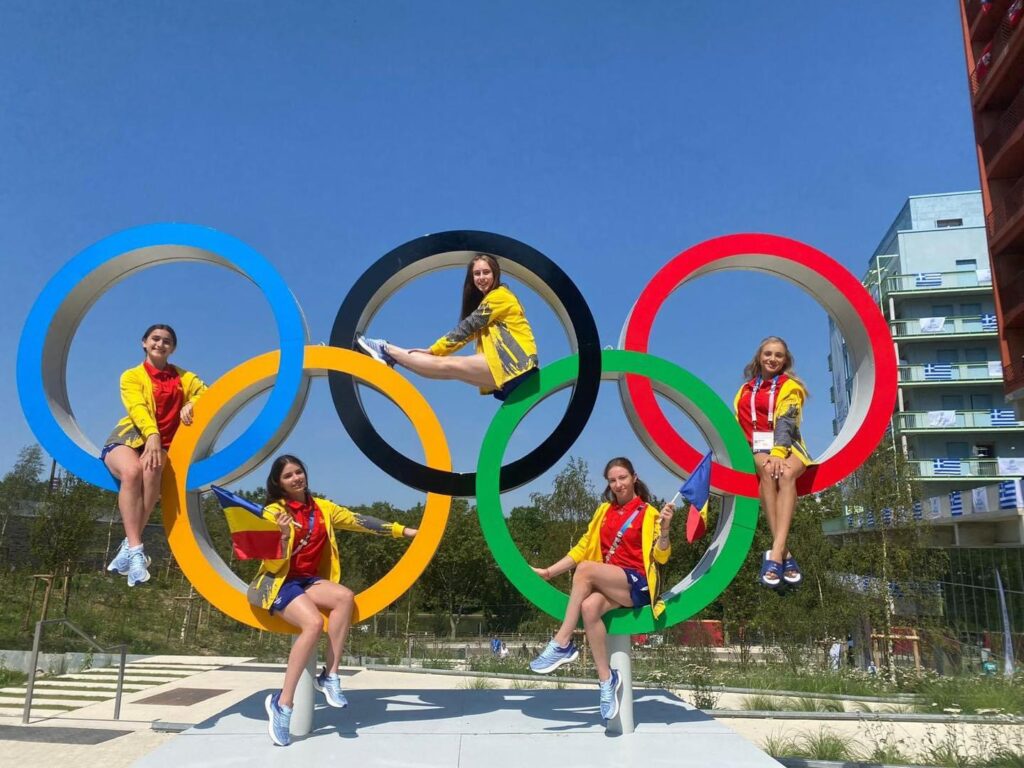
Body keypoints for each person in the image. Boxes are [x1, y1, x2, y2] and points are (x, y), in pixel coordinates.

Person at [258, 454, 417, 747]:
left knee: (344, 596)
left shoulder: (322, 508)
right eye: (288, 475)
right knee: (313, 624)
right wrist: (282, 534)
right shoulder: (273, 512)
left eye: (298, 472)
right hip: (279, 581)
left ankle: (329, 676)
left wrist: (404, 531)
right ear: (278, 483)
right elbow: (270, 562)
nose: (296, 478)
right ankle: (283, 703)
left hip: (308, 580)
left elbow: (360, 521)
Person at [527, 457, 674, 721]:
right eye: (612, 480)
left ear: (634, 478)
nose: (618, 484)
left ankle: (561, 642)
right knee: (589, 607)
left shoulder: (649, 512)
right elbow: (583, 547)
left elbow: (661, 557)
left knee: (585, 569)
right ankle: (607, 680)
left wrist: (665, 529)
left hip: (637, 583)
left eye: (623, 478)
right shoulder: (603, 511)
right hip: (610, 582)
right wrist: (549, 572)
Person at [101, 324, 206, 587]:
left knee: (151, 470)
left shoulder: (185, 377)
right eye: (155, 339)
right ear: (144, 342)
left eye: (166, 341)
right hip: (130, 438)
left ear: (173, 348)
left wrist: (192, 403)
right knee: (132, 471)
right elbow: (136, 407)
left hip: (164, 446)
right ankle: (136, 550)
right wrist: (152, 435)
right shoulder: (132, 376)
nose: (160, 344)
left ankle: (130, 546)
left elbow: (207, 392)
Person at [356, 253, 539, 401]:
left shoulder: (500, 296)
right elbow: (469, 331)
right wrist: (435, 351)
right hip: (516, 369)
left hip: (514, 362)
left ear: (495, 274)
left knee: (446, 365)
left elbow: (467, 328)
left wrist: (434, 350)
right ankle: (389, 356)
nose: (481, 278)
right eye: (477, 274)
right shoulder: (492, 299)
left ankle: (385, 349)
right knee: (445, 370)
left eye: (486, 272)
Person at [733, 336, 812, 589]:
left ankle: (775, 553)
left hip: (789, 446)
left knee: (786, 473)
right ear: (759, 357)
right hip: (757, 448)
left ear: (785, 360)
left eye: (778, 355)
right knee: (768, 470)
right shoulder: (745, 390)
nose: (772, 359)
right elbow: (738, 424)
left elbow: (787, 421)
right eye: (768, 353)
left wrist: (779, 452)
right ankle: (784, 552)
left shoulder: (790, 387)